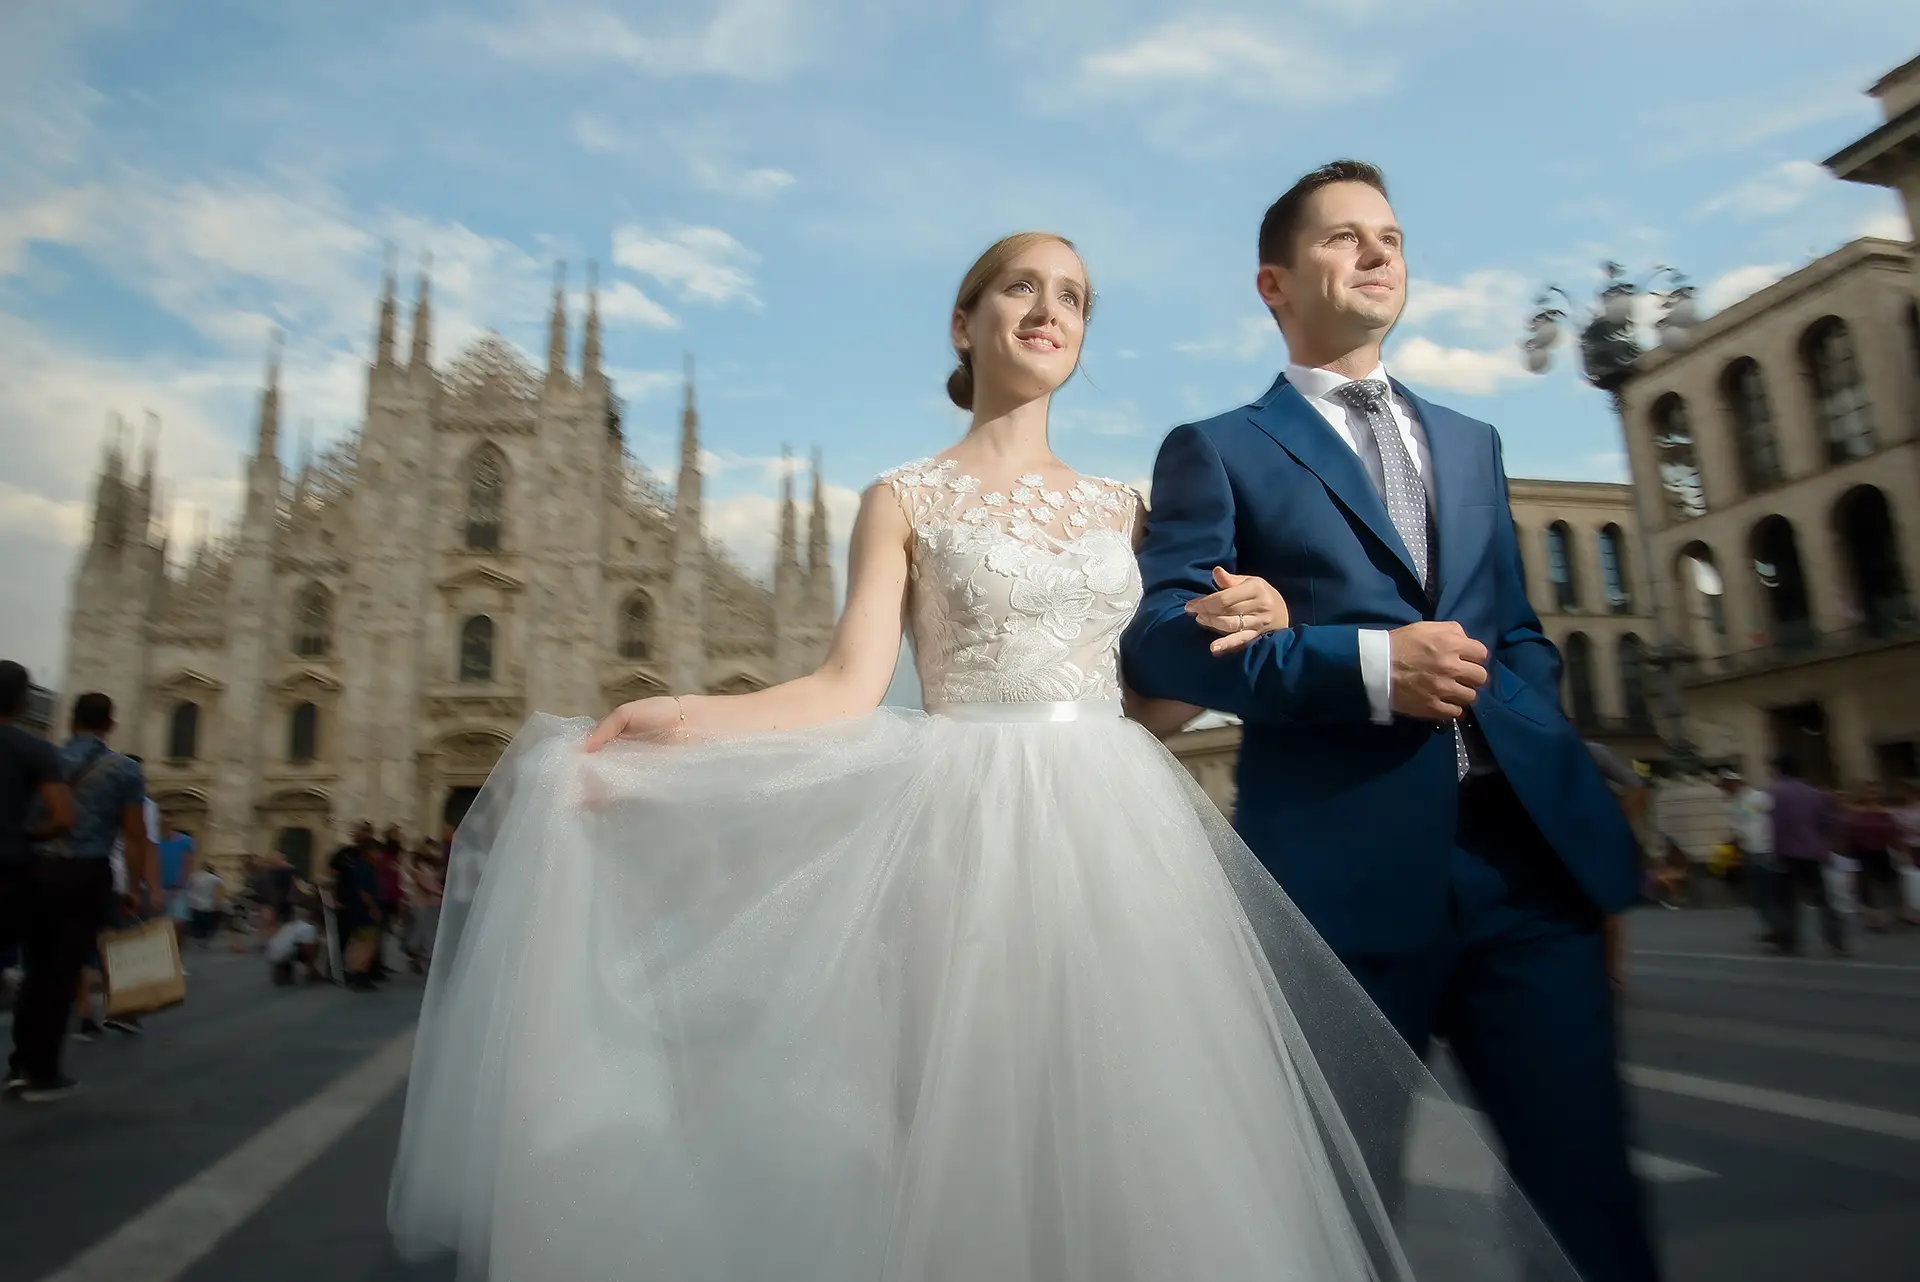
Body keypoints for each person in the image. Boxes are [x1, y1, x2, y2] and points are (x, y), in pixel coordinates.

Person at [390, 232, 1584, 1281]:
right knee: (963, 1130)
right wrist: (679, 719)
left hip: (1113, 822)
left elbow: (1150, 702)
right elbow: (842, 690)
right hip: (959, 827)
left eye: (1070, 294)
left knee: (1133, 1125)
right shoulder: (901, 497)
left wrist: (1261, 616)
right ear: (966, 323)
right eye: (1018, 288)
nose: (1047, 309)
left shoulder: (1134, 505)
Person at [1122, 161, 1659, 1282]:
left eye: (1392, 236)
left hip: (1526, 877)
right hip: (1337, 888)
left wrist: (1577, 821)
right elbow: (1165, 644)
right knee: (1339, 1213)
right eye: (1343, 238)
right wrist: (1369, 666)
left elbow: (1515, 636)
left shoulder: (1471, 442)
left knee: (1590, 1209)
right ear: (1274, 282)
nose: (1377, 253)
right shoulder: (1218, 446)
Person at [8, 692, 153, 1101]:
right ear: (111, 724)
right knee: (62, 970)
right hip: (84, 875)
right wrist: (134, 887)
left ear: (71, 720)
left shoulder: (43, 757)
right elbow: (135, 835)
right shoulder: (125, 769)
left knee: (35, 968)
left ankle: (20, 1064)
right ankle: (43, 1071)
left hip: (36, 871)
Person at [1, 661, 74, 1037]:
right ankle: (28, 1067)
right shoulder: (35, 749)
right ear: (23, 702)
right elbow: (63, 816)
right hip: (11, 870)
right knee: (38, 964)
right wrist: (29, 835)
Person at [1768, 753, 1846, 956]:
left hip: (1788, 853)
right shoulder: (1815, 793)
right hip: (1814, 853)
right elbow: (1831, 822)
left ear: (1780, 770)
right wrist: (1825, 844)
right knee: (1824, 900)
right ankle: (1835, 941)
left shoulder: (1777, 793)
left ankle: (1788, 942)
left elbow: (1778, 827)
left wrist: (1776, 851)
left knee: (1787, 901)